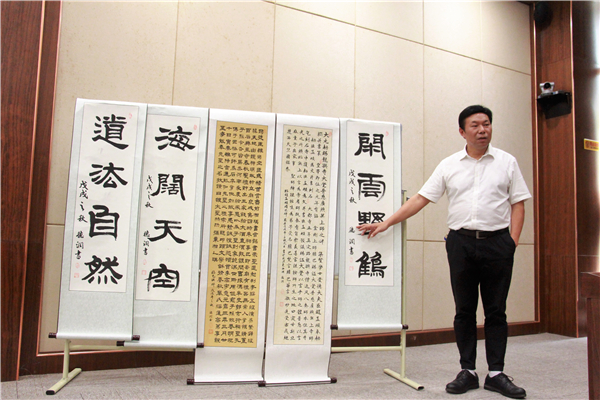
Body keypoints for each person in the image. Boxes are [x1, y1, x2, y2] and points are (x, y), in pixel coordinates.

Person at [357, 105, 530, 399]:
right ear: (462, 131)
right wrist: (387, 222)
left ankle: (496, 374)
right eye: (475, 125)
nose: (482, 130)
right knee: (464, 310)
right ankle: (468, 371)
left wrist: (511, 242)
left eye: (486, 124)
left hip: (498, 243)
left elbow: (518, 203)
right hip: (461, 243)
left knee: (496, 311)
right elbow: (421, 198)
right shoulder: (449, 165)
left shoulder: (507, 162)